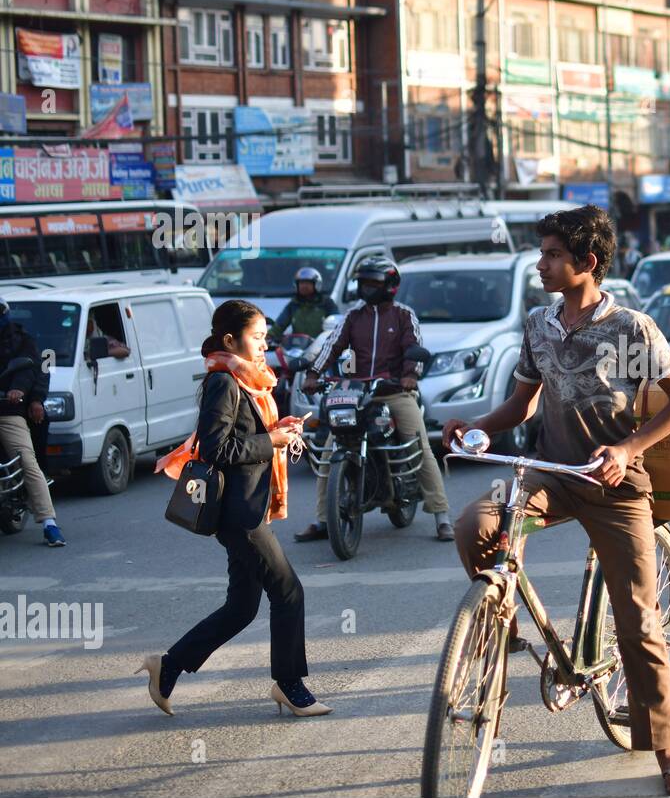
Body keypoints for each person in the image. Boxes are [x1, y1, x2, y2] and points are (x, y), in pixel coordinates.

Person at [443, 205, 670, 796]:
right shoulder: (538, 324)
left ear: (587, 263)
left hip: (615, 485)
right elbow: (523, 405)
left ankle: (666, 745)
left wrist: (627, 447)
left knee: (637, 622)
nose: (542, 264)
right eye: (542, 254)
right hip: (548, 473)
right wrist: (474, 424)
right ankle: (500, 621)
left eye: (553, 255)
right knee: (473, 526)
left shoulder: (633, 329)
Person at [144, 300, 328, 717]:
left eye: (266, 338)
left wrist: (276, 431)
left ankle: (168, 667)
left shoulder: (249, 383)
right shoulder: (223, 382)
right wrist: (272, 442)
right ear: (231, 339)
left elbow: (242, 437)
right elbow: (215, 448)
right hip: (237, 514)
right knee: (288, 592)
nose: (264, 345)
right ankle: (290, 684)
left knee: (242, 607)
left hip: (250, 508)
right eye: (257, 338)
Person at [297, 258, 452, 542]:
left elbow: (414, 348)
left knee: (420, 446)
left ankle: (441, 515)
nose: (366, 288)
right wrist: (312, 373)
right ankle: (322, 520)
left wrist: (410, 377)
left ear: (390, 286)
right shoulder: (353, 317)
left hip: (395, 392)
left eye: (373, 283)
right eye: (363, 283)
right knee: (330, 452)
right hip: (356, 394)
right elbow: (331, 346)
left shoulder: (404, 315)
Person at [0, 297, 65, 546]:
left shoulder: (22, 341)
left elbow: (31, 371)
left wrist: (20, 392)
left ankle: (49, 523)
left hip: (8, 409)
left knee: (27, 461)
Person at [271, 267, 338, 341]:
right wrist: (269, 335)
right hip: (298, 348)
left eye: (308, 283)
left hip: (320, 347)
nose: (304, 286)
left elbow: (336, 323)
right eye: (301, 283)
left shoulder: (326, 303)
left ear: (316, 284)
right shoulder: (294, 304)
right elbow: (280, 325)